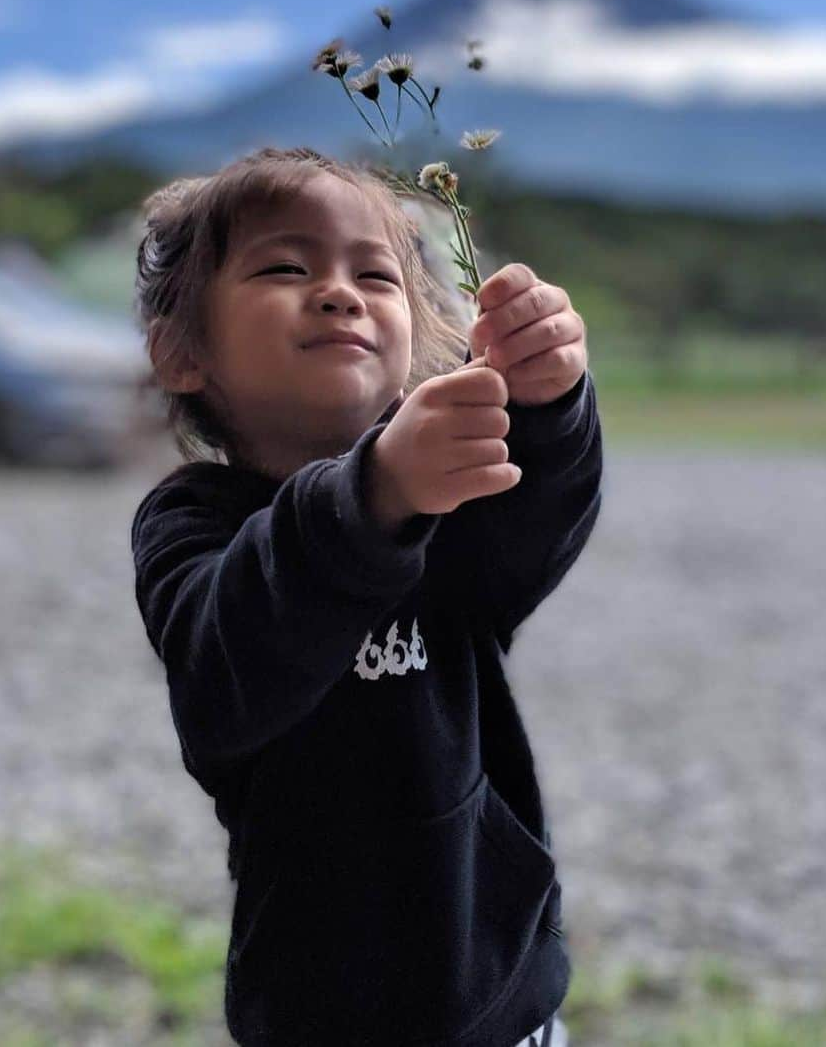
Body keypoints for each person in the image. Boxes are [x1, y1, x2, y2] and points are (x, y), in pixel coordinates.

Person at [130, 146, 603, 1047]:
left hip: (502, 994)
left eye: (376, 274)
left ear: (421, 341)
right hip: (323, 1010)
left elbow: (531, 537)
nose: (339, 291)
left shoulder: (444, 497)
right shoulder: (193, 523)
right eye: (285, 266)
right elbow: (227, 666)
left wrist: (549, 406)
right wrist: (374, 493)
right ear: (182, 354)